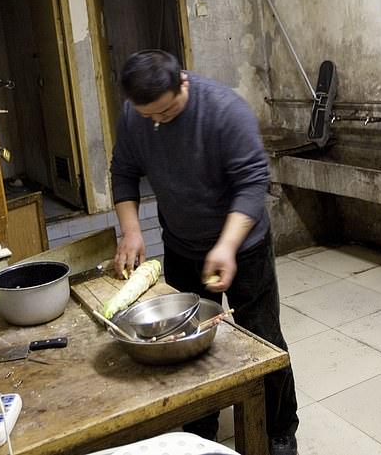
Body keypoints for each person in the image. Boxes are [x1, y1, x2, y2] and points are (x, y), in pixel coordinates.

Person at [109, 49, 299, 455]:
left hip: (243, 248)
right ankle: (198, 431)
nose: (158, 122)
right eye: (149, 116)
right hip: (181, 244)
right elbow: (124, 172)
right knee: (186, 343)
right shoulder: (136, 115)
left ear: (183, 82)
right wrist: (130, 231)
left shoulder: (224, 112)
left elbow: (252, 185)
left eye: (166, 111)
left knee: (263, 341)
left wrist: (227, 247)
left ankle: (281, 429)